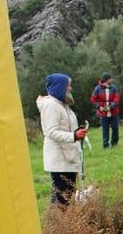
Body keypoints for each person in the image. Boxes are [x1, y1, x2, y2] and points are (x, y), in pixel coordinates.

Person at [36, 73, 86, 206]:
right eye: (68, 85)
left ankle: (63, 224)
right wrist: (74, 136)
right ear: (60, 87)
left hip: (68, 157)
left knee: (68, 196)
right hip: (59, 159)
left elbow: (65, 128)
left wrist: (77, 132)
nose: (70, 89)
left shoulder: (63, 105)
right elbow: (51, 132)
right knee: (61, 198)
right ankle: (56, 224)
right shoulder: (51, 105)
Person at [90, 73, 120, 148]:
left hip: (113, 111)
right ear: (107, 80)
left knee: (115, 127)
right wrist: (98, 107)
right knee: (105, 129)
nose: (112, 80)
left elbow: (117, 98)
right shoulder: (98, 88)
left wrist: (112, 106)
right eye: (110, 78)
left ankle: (114, 143)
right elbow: (93, 99)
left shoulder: (113, 88)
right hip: (103, 112)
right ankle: (106, 145)